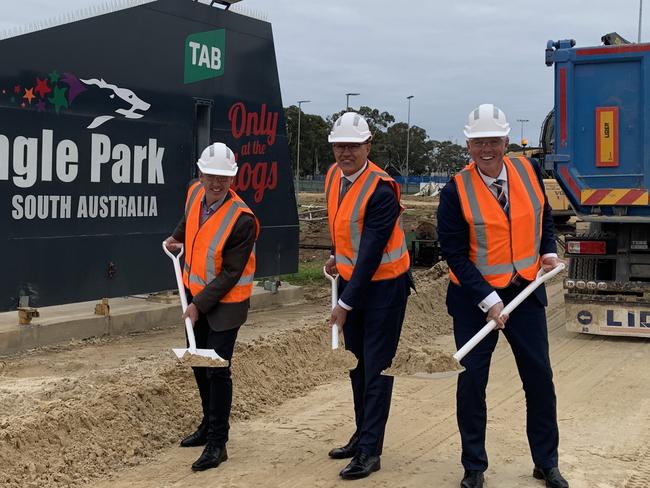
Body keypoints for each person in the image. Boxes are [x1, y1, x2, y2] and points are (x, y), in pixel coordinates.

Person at [437, 104, 568, 488]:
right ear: (468, 144)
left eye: (494, 140)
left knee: (539, 378)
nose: (487, 148)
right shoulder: (455, 190)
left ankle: (546, 462)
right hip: (473, 301)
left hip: (524, 292)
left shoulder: (529, 172)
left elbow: (542, 216)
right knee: (472, 382)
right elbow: (455, 255)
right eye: (479, 142)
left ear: (506, 141)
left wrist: (547, 250)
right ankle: (474, 466)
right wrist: (488, 300)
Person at [324, 112, 412, 480]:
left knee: (376, 367)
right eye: (340, 146)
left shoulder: (381, 189)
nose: (345, 152)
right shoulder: (334, 177)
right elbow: (342, 225)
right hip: (352, 280)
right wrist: (334, 256)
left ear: (367, 146)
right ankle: (362, 434)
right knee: (357, 364)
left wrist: (344, 304)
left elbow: (373, 252)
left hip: (385, 288)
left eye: (353, 146)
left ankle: (370, 451)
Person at [164, 142, 258, 472]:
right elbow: (189, 219)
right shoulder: (195, 194)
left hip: (226, 304)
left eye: (224, 178)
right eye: (211, 176)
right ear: (200, 173)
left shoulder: (242, 219)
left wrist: (197, 306)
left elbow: (232, 273)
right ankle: (207, 425)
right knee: (198, 362)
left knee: (217, 369)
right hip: (196, 294)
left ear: (232, 179)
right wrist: (176, 237)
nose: (216, 183)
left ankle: (219, 442)